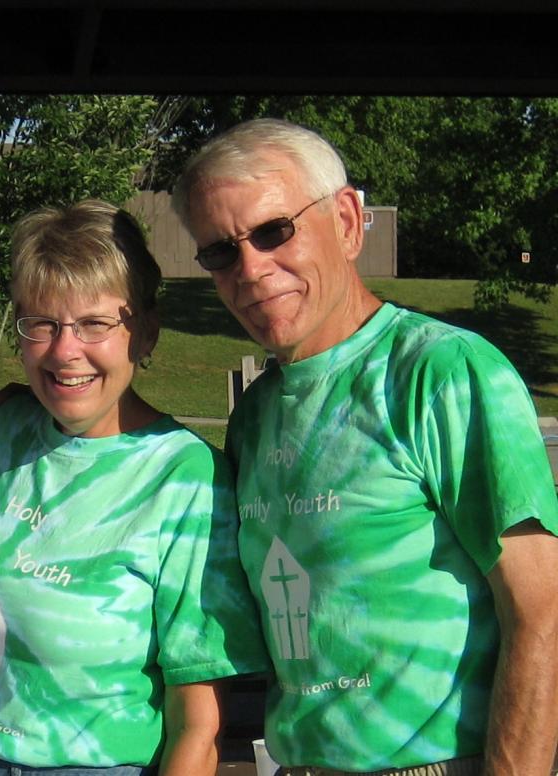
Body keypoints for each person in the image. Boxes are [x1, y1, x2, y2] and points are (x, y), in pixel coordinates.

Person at [171, 118, 558, 775]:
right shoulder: (257, 413)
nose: (252, 269)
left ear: (347, 220)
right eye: (220, 252)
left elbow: (543, 610)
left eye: (273, 231)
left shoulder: (443, 373)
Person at [0, 200, 268, 775]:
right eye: (42, 323)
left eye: (94, 323)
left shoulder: (187, 479)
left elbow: (199, 728)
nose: (63, 350)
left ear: (146, 333)